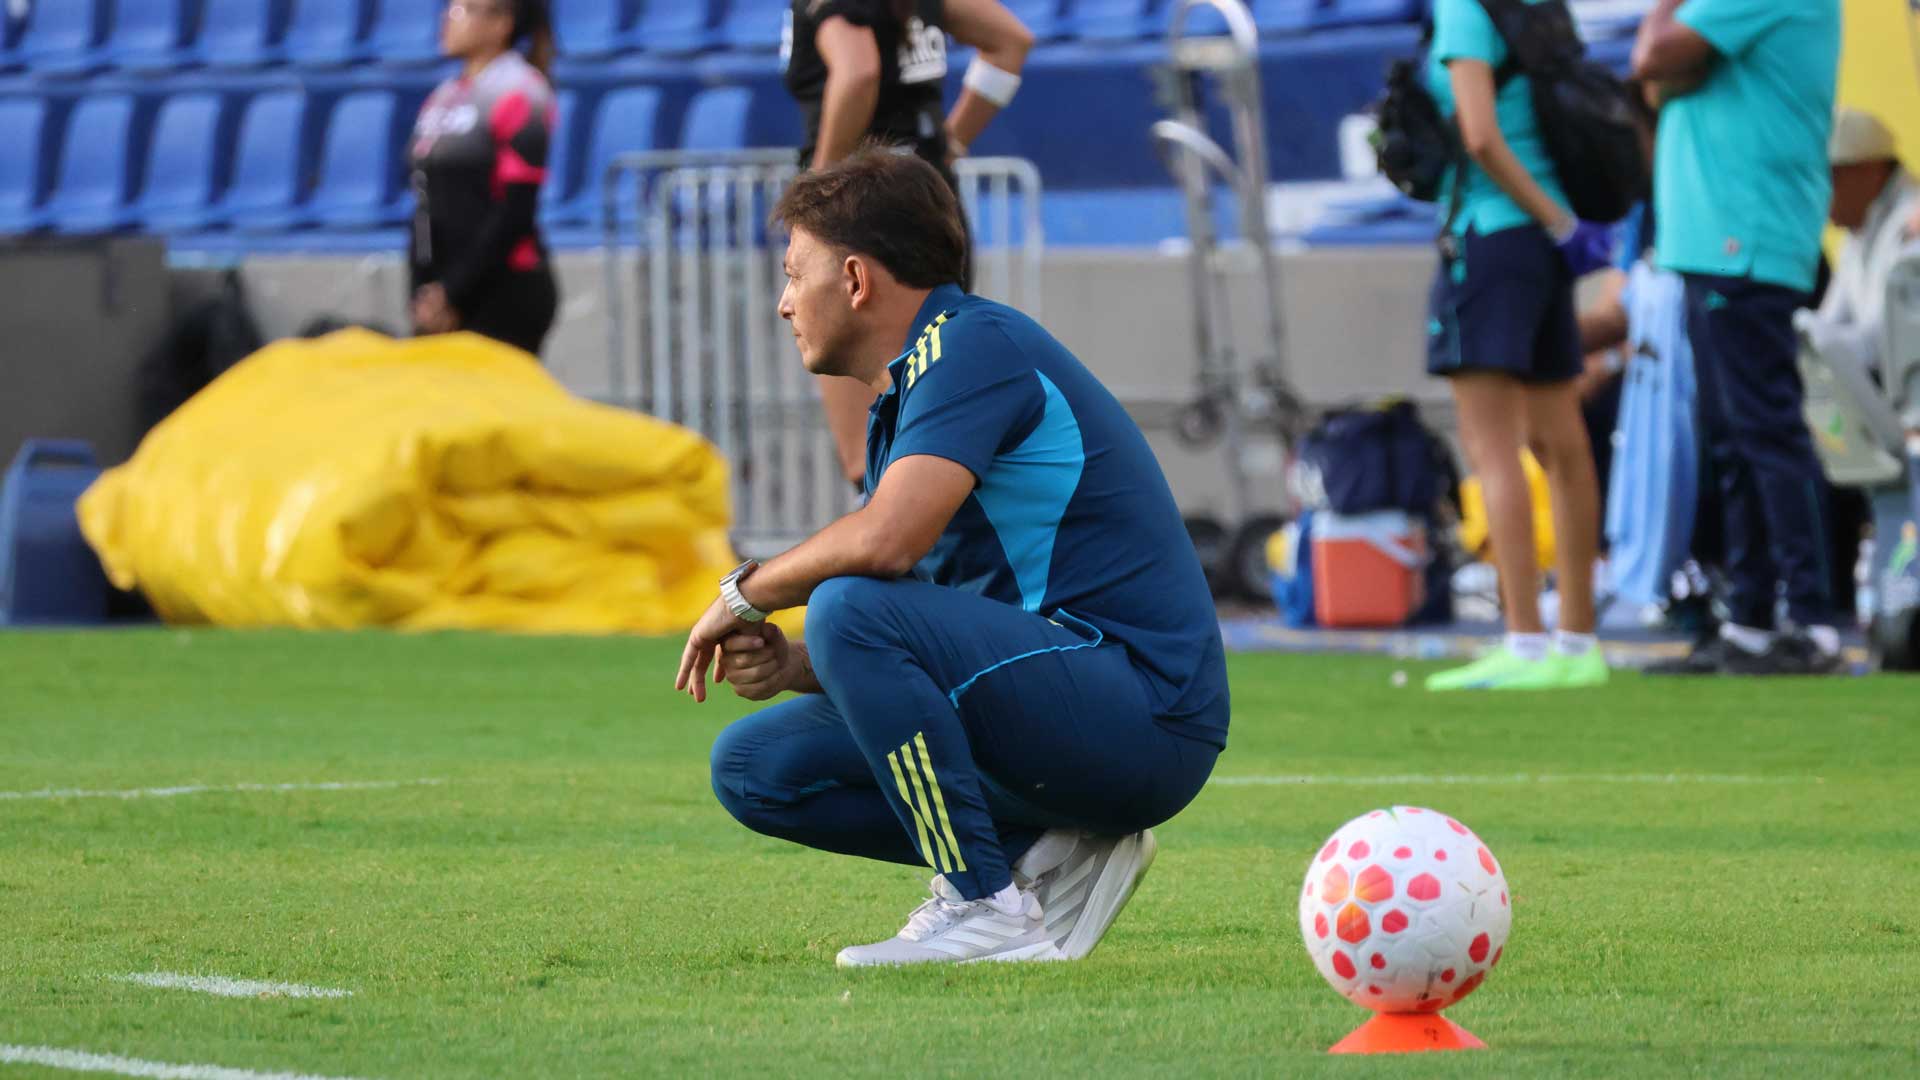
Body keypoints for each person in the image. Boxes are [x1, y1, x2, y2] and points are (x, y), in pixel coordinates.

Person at [678, 150, 1228, 967]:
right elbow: (917, 634)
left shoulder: (970, 345)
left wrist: (744, 593)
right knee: (755, 766)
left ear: (855, 279)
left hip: (1146, 714)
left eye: (794, 274)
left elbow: (884, 545)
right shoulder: (913, 388)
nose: (784, 302)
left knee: (845, 603)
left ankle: (983, 901)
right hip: (1075, 703)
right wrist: (796, 665)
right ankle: (1046, 849)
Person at [1634, 0, 1844, 675]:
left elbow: (1651, 58)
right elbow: (1654, 84)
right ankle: (1750, 620)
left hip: (1745, 238)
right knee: (1731, 439)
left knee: (1768, 432)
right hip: (1713, 242)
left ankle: (1813, 619)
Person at [1418, 0, 1613, 692]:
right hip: (1539, 248)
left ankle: (1524, 639)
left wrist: (1556, 221)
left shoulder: (1463, 8)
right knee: (1562, 443)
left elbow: (1479, 137)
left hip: (1491, 237)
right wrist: (1560, 228)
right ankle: (1579, 641)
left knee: (1492, 445)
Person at [783, 0, 1035, 488]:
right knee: (930, 415)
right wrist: (951, 143)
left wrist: (816, 195)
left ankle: (898, 527)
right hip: (932, 206)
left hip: (856, 222)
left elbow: (857, 73)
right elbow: (1011, 43)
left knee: (872, 454)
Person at [407, 0, 560, 357]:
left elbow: (516, 210)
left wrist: (454, 292)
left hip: (501, 289)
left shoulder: (521, 90)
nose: (448, 18)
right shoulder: (443, 96)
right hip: (441, 293)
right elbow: (424, 205)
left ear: (500, 23)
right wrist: (423, 292)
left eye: (463, 9)